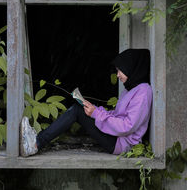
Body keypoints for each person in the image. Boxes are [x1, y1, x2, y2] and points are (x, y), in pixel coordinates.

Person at [20, 48, 152, 157]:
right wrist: (95, 110)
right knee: (80, 108)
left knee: (77, 111)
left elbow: (127, 126)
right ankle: (37, 141)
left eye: (119, 70)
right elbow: (118, 114)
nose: (117, 75)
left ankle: (35, 144)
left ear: (131, 67)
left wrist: (96, 114)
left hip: (121, 143)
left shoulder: (143, 92)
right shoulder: (131, 89)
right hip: (117, 137)